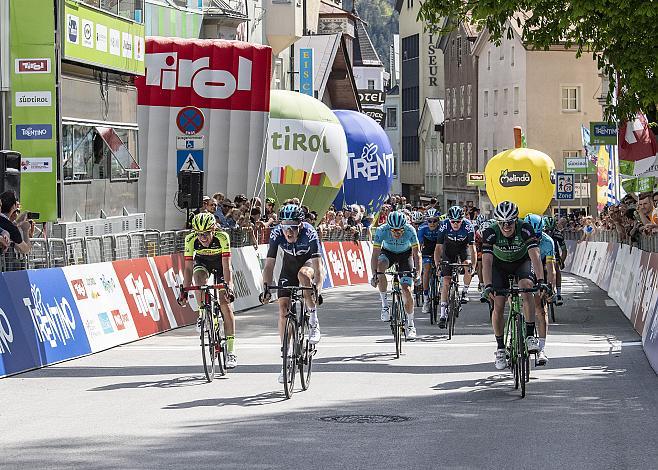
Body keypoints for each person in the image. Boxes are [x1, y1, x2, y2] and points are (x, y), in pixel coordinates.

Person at [260, 204, 324, 384]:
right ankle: (286, 356)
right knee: (282, 308)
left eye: (292, 228)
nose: (288, 232)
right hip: (288, 269)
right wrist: (266, 287)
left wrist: (317, 287)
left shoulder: (310, 232)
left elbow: (318, 266)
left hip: (308, 266)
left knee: (303, 275)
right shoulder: (276, 233)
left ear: (300, 225)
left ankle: (313, 320)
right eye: (285, 227)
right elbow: (269, 265)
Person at [480, 201, 548, 370]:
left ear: (516, 220)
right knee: (499, 303)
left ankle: (530, 335)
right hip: (499, 266)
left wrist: (540, 281)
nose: (506, 226)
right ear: (497, 222)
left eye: (510, 222)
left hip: (521, 263)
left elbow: (535, 256)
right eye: (502, 222)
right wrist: (487, 285)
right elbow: (487, 262)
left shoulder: (524, 229)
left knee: (527, 289)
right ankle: (501, 348)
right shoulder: (491, 232)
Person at [180, 212, 237, 369]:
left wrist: (229, 286)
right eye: (199, 234)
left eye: (206, 233)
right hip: (203, 263)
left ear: (214, 230)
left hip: (221, 265)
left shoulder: (222, 237)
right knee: (198, 280)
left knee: (225, 304)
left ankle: (231, 351)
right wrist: (184, 290)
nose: (202, 238)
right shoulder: (190, 239)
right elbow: (187, 268)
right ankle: (202, 313)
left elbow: (227, 265)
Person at [370, 211, 421, 339]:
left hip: (405, 254)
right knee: (380, 266)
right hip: (388, 253)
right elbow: (375, 254)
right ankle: (385, 305)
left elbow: (417, 253)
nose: (397, 233)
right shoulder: (382, 230)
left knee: (406, 290)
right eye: (394, 231)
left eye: (400, 230)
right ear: (389, 227)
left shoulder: (410, 230)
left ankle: (410, 325)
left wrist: (418, 273)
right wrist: (374, 274)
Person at [433, 205, 477, 328]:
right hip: (449, 249)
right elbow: (438, 248)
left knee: (468, 265)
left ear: (462, 220)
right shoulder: (444, 225)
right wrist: (438, 265)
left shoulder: (468, 226)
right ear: (449, 220)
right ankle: (442, 315)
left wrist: (473, 266)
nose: (456, 224)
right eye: (453, 221)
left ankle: (465, 291)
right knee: (446, 281)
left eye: (458, 221)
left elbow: (472, 248)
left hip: (463, 248)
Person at [524, 214, 556, 366]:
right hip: (523, 268)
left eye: (538, 236)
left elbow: (551, 268)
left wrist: (550, 287)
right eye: (533, 236)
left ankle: (542, 349)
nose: (535, 239)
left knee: (540, 309)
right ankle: (514, 336)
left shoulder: (548, 241)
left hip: (540, 269)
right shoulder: (520, 238)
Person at [417, 208, 442, 314]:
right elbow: (418, 246)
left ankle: (442, 290)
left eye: (434, 220)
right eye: (429, 221)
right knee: (426, 269)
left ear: (438, 221)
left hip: (439, 247)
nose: (432, 223)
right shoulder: (422, 228)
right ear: (426, 221)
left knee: (441, 268)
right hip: (427, 247)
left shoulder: (442, 228)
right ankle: (426, 298)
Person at [0, 190, 33, 255]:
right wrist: (25, 230)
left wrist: (17, 222)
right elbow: (25, 250)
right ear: (13, 207)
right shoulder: (11, 228)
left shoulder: (9, 226)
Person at [543, 215, 566, 305]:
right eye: (546, 230)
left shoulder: (557, 234)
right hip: (543, 255)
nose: (548, 233)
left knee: (556, 269)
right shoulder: (538, 233)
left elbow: (564, 250)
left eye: (551, 230)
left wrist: (562, 261)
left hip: (554, 255)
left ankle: (559, 294)